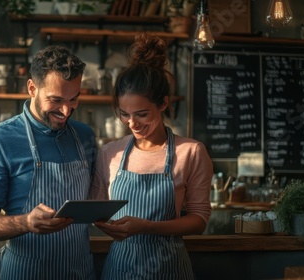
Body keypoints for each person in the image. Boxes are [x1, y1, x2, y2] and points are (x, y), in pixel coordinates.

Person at [0, 45, 97, 280]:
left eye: (73, 99)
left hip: (81, 271)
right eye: (55, 100)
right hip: (27, 272)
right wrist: (26, 222)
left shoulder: (85, 136)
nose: (66, 111)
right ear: (31, 88)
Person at [90, 34, 213, 280]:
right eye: (124, 114)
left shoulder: (190, 152)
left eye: (142, 114)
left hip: (169, 267)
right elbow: (96, 210)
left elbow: (199, 221)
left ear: (163, 103)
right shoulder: (109, 153)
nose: (132, 123)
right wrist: (102, 224)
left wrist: (147, 227)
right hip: (120, 269)